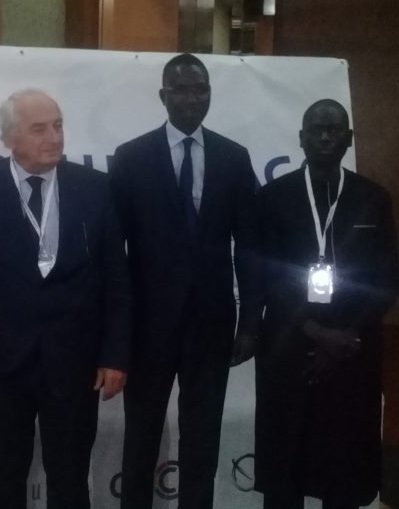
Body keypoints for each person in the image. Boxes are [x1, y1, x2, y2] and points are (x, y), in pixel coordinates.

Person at [0, 89, 131, 509]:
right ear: (9, 138)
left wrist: (116, 355)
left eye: (58, 125)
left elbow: (116, 278)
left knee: (70, 482)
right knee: (4, 481)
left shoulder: (95, 186)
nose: (54, 137)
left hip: (75, 364)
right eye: (39, 129)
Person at [109, 53, 260, 509]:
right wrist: (117, 334)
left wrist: (250, 323)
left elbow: (250, 248)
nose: (193, 98)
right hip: (148, 329)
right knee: (140, 439)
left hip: (211, 326)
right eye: (182, 90)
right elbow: (114, 256)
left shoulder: (234, 158)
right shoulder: (131, 158)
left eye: (201, 89)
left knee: (203, 442)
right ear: (163, 96)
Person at [254, 99, 399, 509]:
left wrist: (346, 336)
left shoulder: (373, 198)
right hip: (289, 348)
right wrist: (314, 331)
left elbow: (386, 278)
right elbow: (264, 275)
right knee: (286, 472)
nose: (324, 137)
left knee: (344, 471)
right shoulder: (272, 198)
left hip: (353, 351)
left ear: (348, 139)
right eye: (315, 130)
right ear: (300, 138)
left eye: (333, 130)